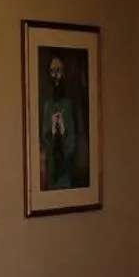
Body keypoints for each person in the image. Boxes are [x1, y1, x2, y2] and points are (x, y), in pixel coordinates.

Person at [38, 52, 86, 191]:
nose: (55, 75)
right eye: (53, 71)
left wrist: (63, 128)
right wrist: (53, 128)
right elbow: (44, 140)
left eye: (58, 71)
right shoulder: (47, 105)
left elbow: (73, 141)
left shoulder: (69, 104)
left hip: (67, 171)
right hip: (51, 171)